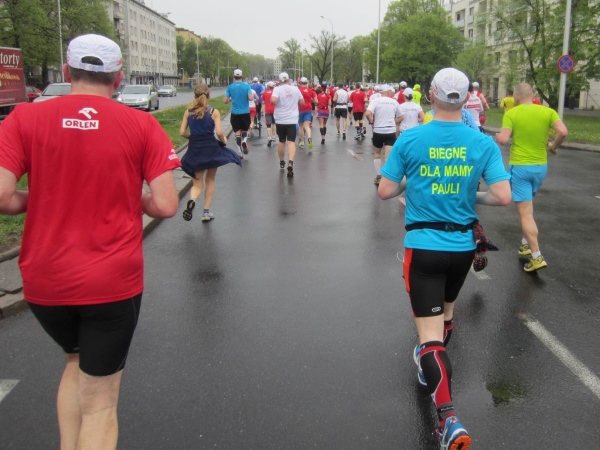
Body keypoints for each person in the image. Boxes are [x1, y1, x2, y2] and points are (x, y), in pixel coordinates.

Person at [0, 34, 180, 449]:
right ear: (118, 78)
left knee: (75, 361)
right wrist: (132, 198)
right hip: (110, 282)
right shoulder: (142, 125)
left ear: (67, 71)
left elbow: (3, 196)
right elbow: (166, 204)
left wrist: (43, 196)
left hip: (45, 280)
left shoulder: (25, 118)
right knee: (100, 404)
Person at [378, 67, 511, 449]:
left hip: (424, 247)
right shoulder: (482, 142)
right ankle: (429, 372)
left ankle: (448, 419)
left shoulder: (411, 138)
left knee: (429, 338)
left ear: (431, 95)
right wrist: (471, 196)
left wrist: (414, 180)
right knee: (447, 315)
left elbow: (385, 191)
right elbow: (503, 196)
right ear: (467, 98)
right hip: (462, 248)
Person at [494, 82, 568, 272]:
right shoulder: (548, 112)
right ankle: (526, 244)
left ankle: (536, 256)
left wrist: (497, 136)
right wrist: (553, 146)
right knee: (527, 208)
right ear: (533, 96)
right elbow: (563, 132)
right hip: (540, 167)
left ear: (516, 97)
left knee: (525, 213)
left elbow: (503, 139)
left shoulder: (512, 113)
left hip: (520, 167)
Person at [180, 83, 241, 222]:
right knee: (210, 180)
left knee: (197, 184)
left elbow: (182, 132)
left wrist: (192, 137)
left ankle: (192, 200)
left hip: (195, 149)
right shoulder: (214, 112)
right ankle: (206, 212)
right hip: (211, 149)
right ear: (208, 95)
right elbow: (219, 132)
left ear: (194, 96)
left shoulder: (188, 112)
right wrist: (224, 140)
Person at [364, 84, 402, 185]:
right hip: (390, 131)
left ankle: (378, 175)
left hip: (378, 130)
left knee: (377, 153)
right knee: (388, 155)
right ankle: (387, 176)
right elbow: (401, 117)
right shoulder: (394, 102)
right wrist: (393, 121)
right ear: (388, 92)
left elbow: (367, 113)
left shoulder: (375, 101)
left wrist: (371, 121)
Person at [271, 72, 305, 177]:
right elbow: (302, 102)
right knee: (291, 142)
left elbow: (273, 101)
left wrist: (278, 102)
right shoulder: (295, 89)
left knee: (281, 141)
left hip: (280, 119)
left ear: (279, 81)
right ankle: (290, 162)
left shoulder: (277, 89)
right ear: (289, 80)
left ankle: (282, 162)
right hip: (292, 119)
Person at [223, 69, 253, 157]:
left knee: (237, 131)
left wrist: (230, 99)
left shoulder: (230, 87)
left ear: (234, 77)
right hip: (245, 112)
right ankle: (244, 141)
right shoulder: (247, 86)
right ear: (242, 76)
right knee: (245, 130)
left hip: (235, 113)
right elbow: (251, 98)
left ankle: (239, 153)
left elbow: (224, 101)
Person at [297, 77, 317, 150]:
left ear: (300, 83)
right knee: (307, 126)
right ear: (307, 83)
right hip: (308, 109)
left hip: (300, 109)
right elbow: (316, 101)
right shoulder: (311, 91)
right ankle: (309, 137)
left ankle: (302, 142)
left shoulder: (298, 90)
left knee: (301, 126)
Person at [262, 81, 277, 147]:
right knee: (274, 123)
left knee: (268, 125)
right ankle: (273, 136)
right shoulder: (275, 93)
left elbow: (263, 102)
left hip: (268, 110)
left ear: (268, 86)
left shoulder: (265, 93)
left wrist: (263, 111)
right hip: (275, 110)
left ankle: (269, 137)